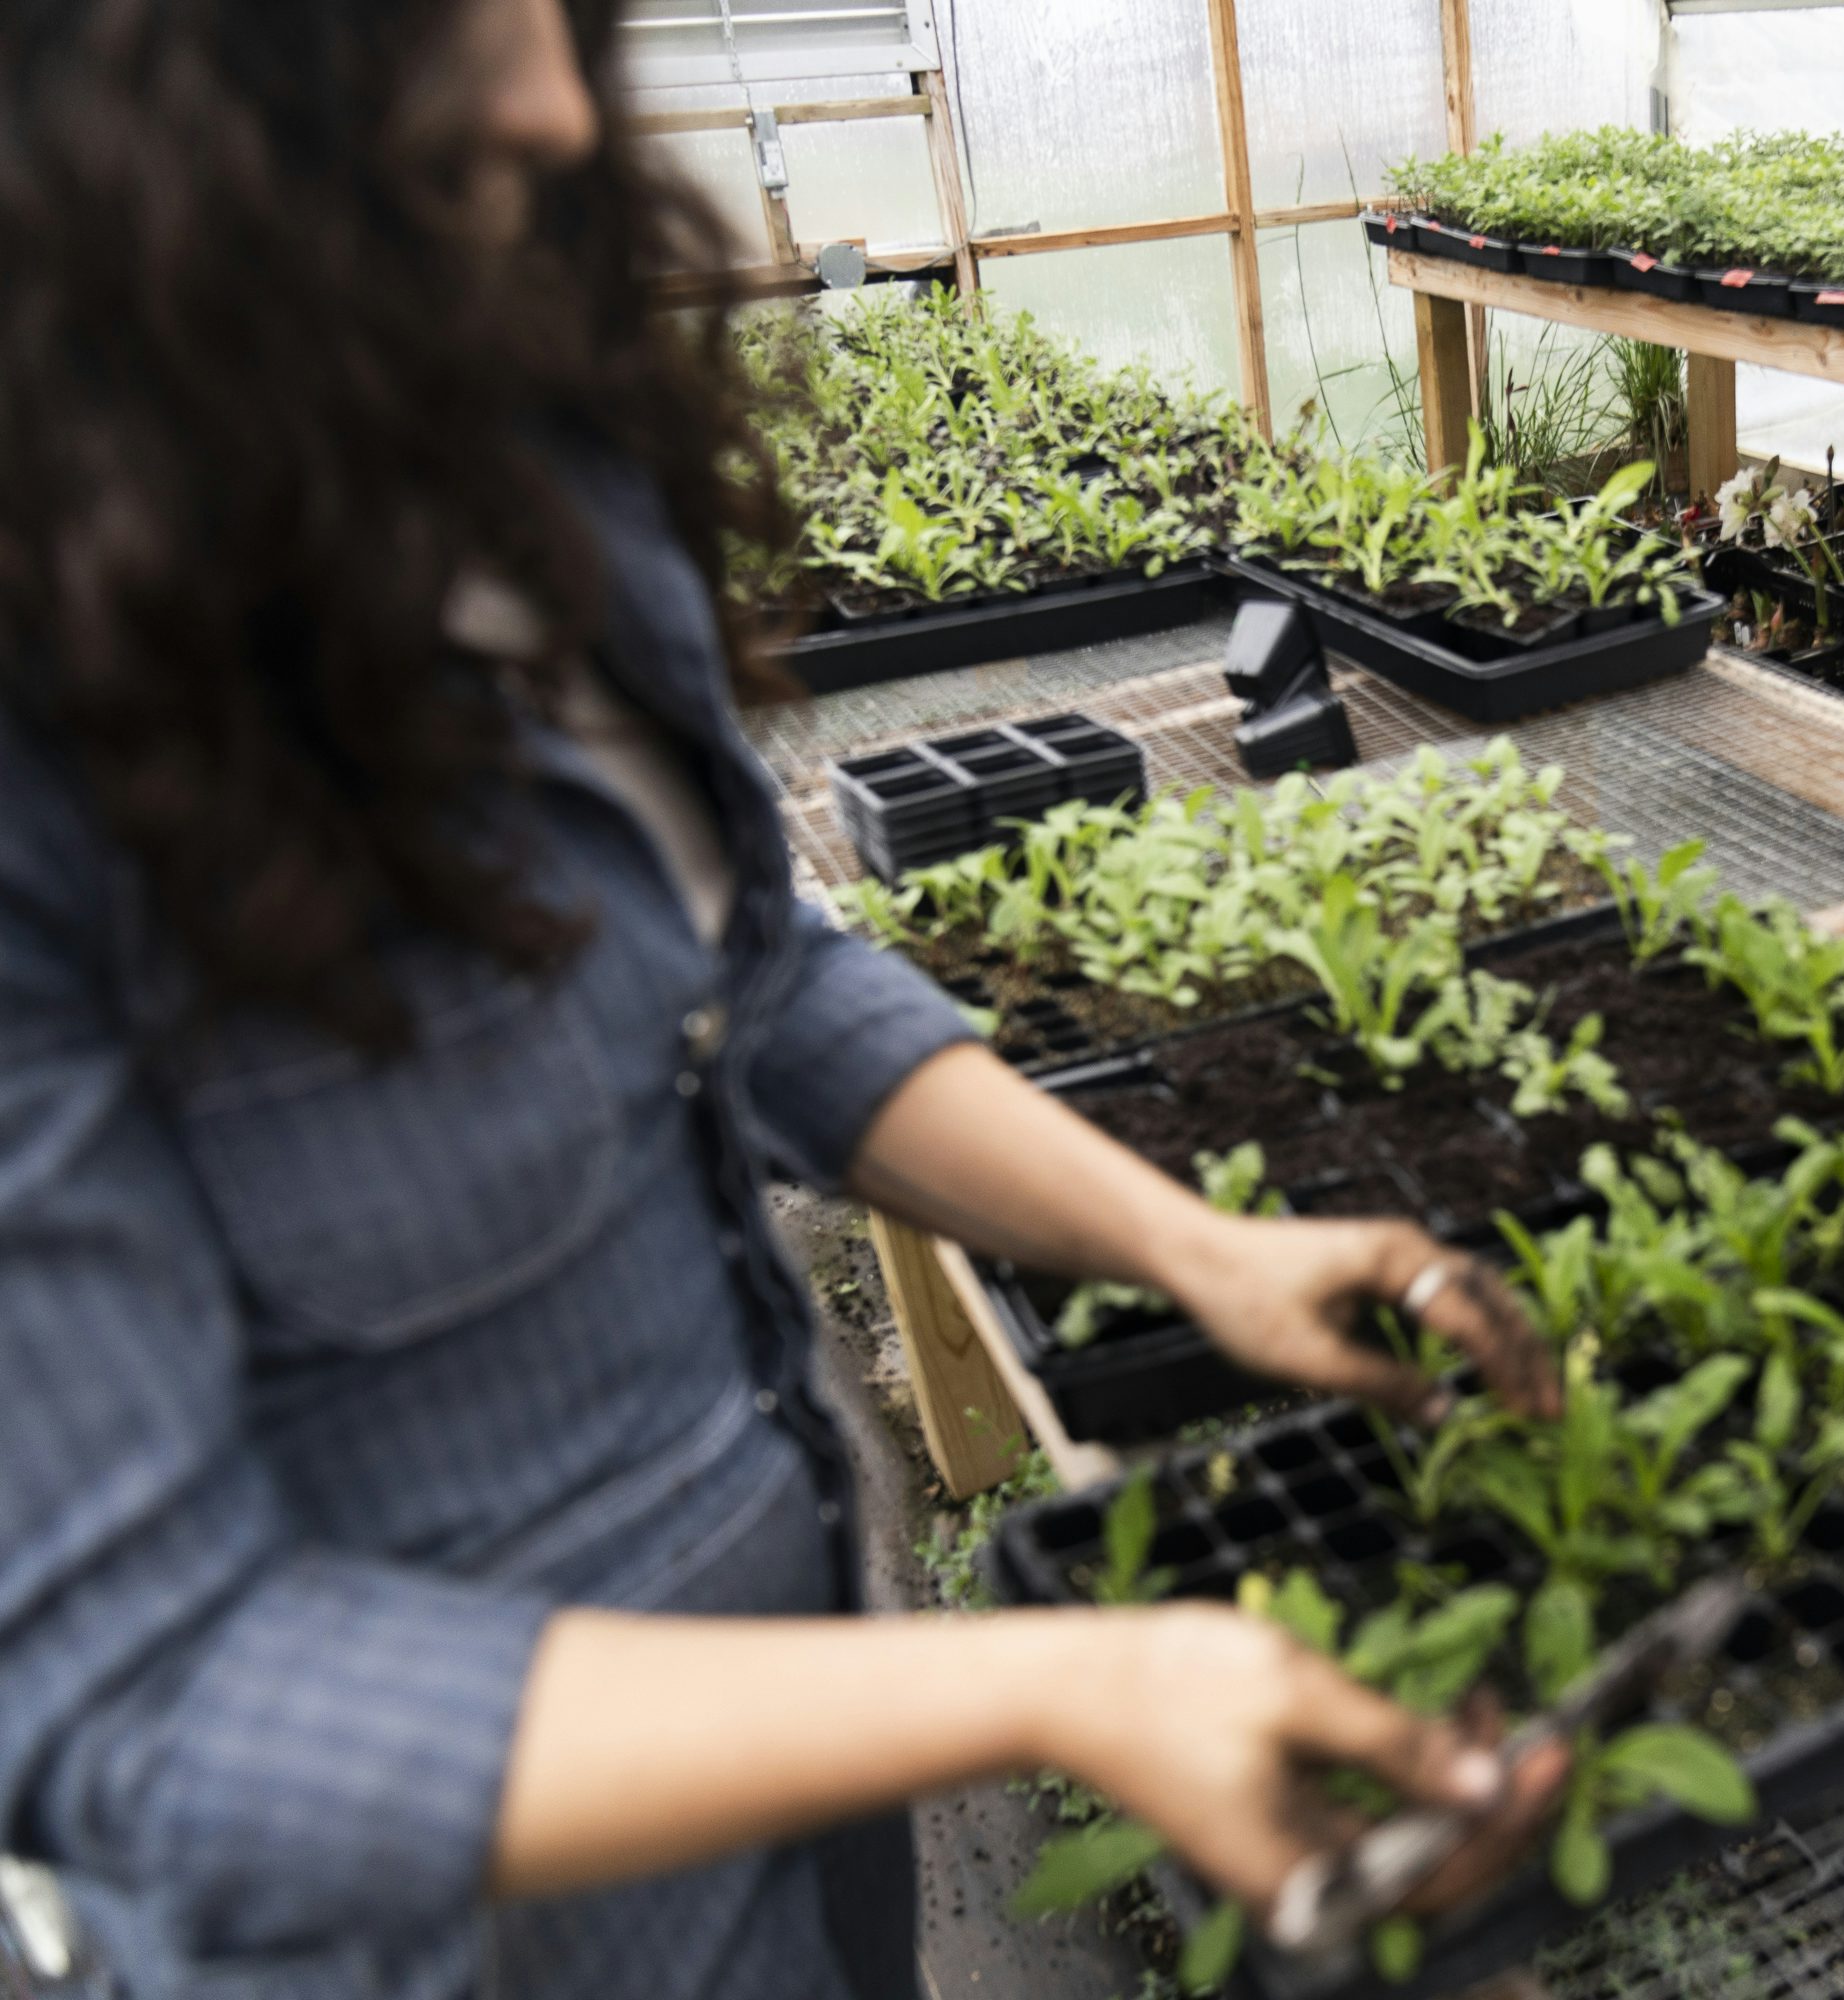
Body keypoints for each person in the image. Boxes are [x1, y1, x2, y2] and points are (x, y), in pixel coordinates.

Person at [0, 2, 1570, 1994]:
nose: (555, 98)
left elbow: (754, 979)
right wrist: (1045, 1688)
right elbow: (143, 1695)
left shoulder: (521, 463)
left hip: (802, 1804)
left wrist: (1197, 1249)